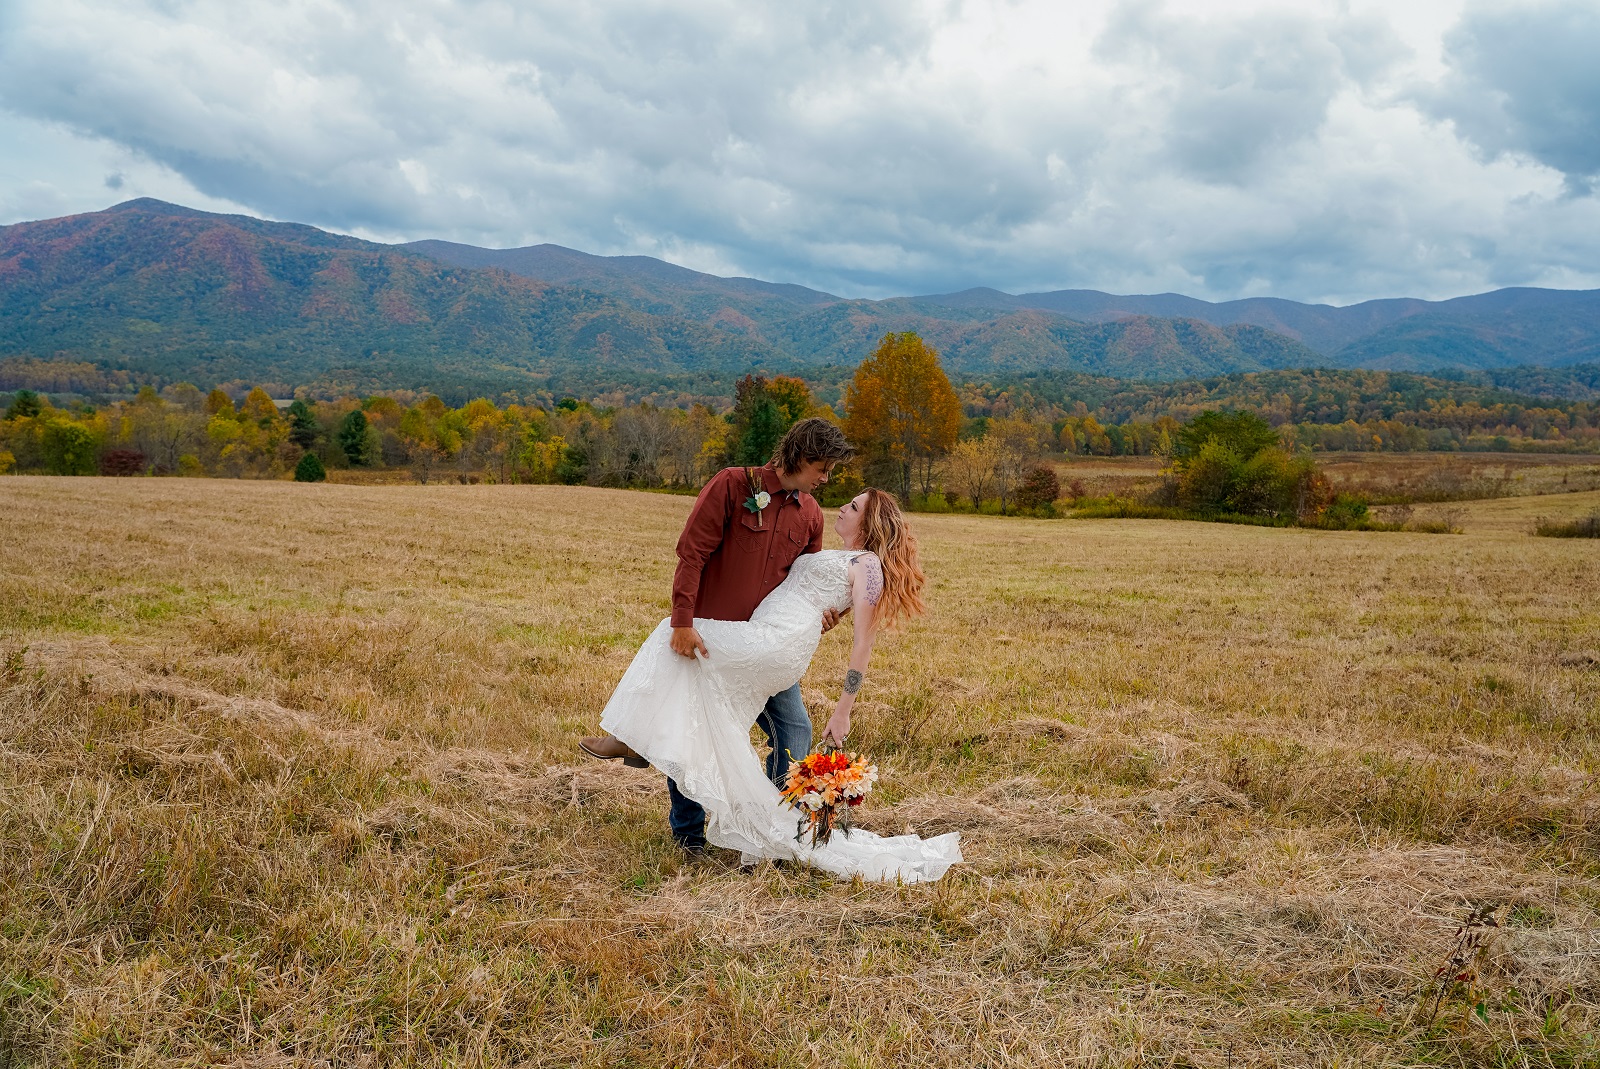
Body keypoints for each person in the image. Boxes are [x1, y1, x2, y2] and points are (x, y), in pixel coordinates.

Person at [587, 486, 962, 883]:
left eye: (853, 507)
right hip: (768, 632)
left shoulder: (868, 566)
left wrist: (843, 710)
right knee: (692, 683)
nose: (842, 507)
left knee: (675, 632)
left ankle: (630, 739)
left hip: (777, 643)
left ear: (869, 522)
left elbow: (862, 643)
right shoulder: (837, 556)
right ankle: (646, 751)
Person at [581, 417, 853, 851]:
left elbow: (804, 581)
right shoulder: (731, 486)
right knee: (693, 727)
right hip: (711, 640)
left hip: (765, 646)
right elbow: (692, 553)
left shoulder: (811, 515)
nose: (826, 479)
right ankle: (688, 834)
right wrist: (683, 622)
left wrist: (824, 615)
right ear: (800, 456)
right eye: (822, 468)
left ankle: (773, 825)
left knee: (796, 729)